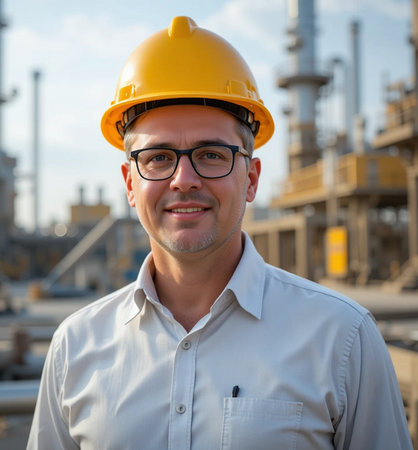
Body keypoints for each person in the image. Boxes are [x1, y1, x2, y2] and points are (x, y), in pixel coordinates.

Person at [27, 16, 412, 449]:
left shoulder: (343, 339)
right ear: (130, 183)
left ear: (251, 179)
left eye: (211, 155)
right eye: (157, 157)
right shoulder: (74, 348)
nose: (184, 179)